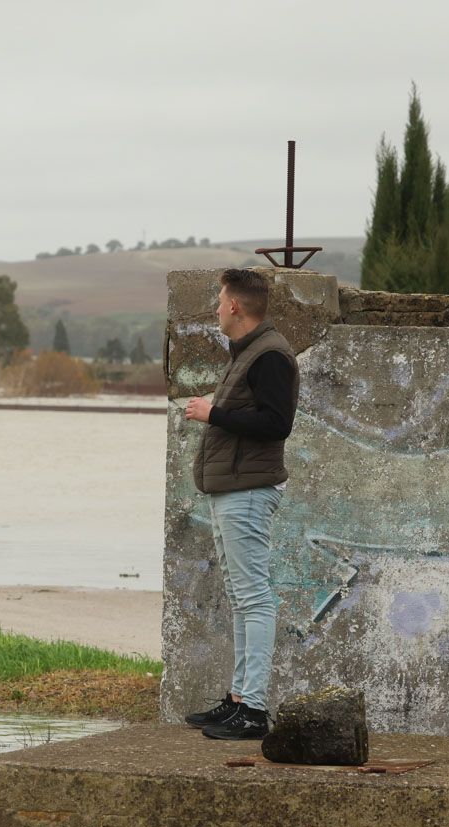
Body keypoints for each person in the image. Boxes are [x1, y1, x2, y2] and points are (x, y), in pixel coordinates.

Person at [179, 268, 298, 741]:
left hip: (248, 493)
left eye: (219, 300)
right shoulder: (247, 353)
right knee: (240, 598)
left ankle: (254, 710)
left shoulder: (270, 355)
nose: (215, 307)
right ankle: (237, 702)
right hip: (234, 491)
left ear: (235, 307)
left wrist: (215, 413)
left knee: (254, 598)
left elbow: (276, 424)